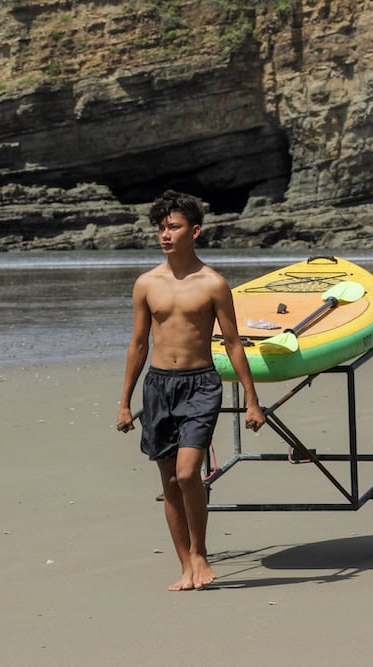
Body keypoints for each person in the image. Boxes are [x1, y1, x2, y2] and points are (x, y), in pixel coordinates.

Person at [116, 190, 265, 591]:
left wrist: (252, 401)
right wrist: (124, 403)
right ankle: (186, 566)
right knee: (168, 483)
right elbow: (139, 344)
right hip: (159, 386)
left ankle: (200, 551)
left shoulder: (213, 283)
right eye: (161, 228)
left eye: (174, 227)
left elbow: (233, 343)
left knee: (186, 474)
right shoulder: (146, 283)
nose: (165, 235)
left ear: (194, 231)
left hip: (200, 384)